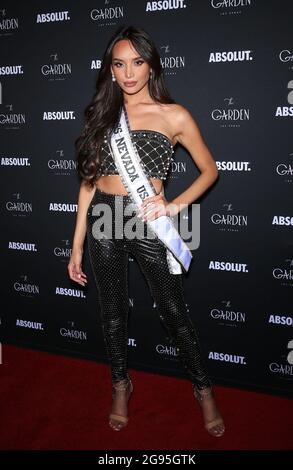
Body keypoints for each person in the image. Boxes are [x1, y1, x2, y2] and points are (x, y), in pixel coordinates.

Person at [68, 25, 225, 437]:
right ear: (111, 70)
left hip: (148, 219)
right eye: (119, 64)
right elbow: (88, 184)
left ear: (151, 64)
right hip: (103, 215)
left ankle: (203, 388)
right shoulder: (102, 114)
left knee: (174, 312)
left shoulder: (175, 115)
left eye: (137, 62)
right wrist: (76, 244)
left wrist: (174, 205)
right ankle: (121, 384)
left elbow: (210, 170)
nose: (129, 72)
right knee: (113, 312)